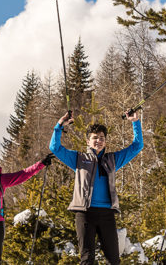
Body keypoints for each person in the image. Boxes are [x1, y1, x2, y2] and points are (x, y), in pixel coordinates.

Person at [50, 110, 143, 265]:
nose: (98, 141)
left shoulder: (112, 160)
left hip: (107, 214)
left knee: (113, 260)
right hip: (85, 214)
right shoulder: (79, 159)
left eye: (101, 138)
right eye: (95, 138)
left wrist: (135, 122)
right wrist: (60, 125)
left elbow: (137, 146)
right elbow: (55, 148)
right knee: (87, 259)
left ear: (105, 142)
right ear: (88, 141)